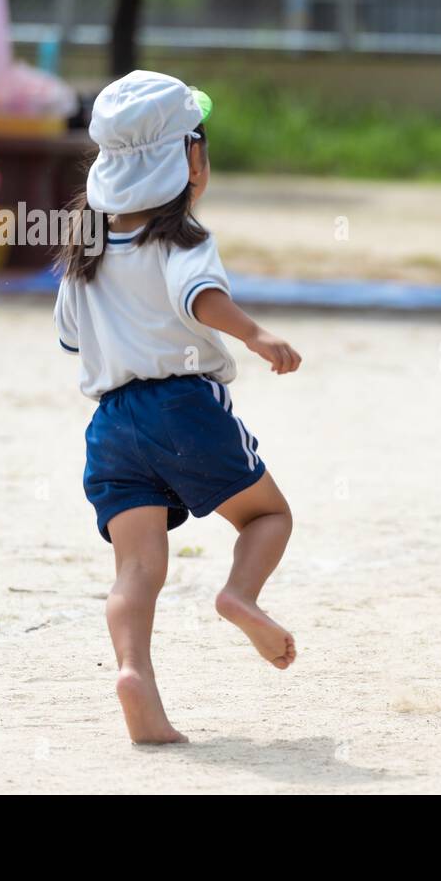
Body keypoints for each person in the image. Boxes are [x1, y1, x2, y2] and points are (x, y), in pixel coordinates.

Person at [54, 70, 302, 744]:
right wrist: (255, 334)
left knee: (137, 569)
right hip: (184, 407)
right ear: (190, 158)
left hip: (110, 425)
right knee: (268, 514)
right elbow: (200, 298)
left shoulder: (86, 248)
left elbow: (72, 336)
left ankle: (135, 675)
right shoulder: (184, 238)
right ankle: (240, 594)